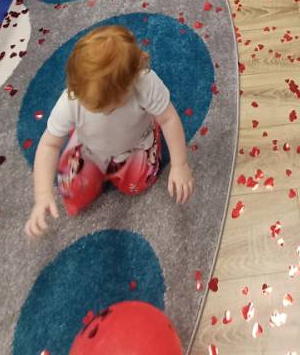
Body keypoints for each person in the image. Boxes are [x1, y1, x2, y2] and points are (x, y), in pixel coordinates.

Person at [25, 25, 194, 237]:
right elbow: (49, 145)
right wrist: (42, 195)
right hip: (89, 148)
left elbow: (168, 119)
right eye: (92, 106)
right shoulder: (71, 100)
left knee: (137, 184)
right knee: (70, 192)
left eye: (108, 107)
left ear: (133, 78)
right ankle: (83, 149)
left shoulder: (145, 83)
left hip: (136, 144)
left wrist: (180, 165)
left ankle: (145, 145)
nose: (103, 112)